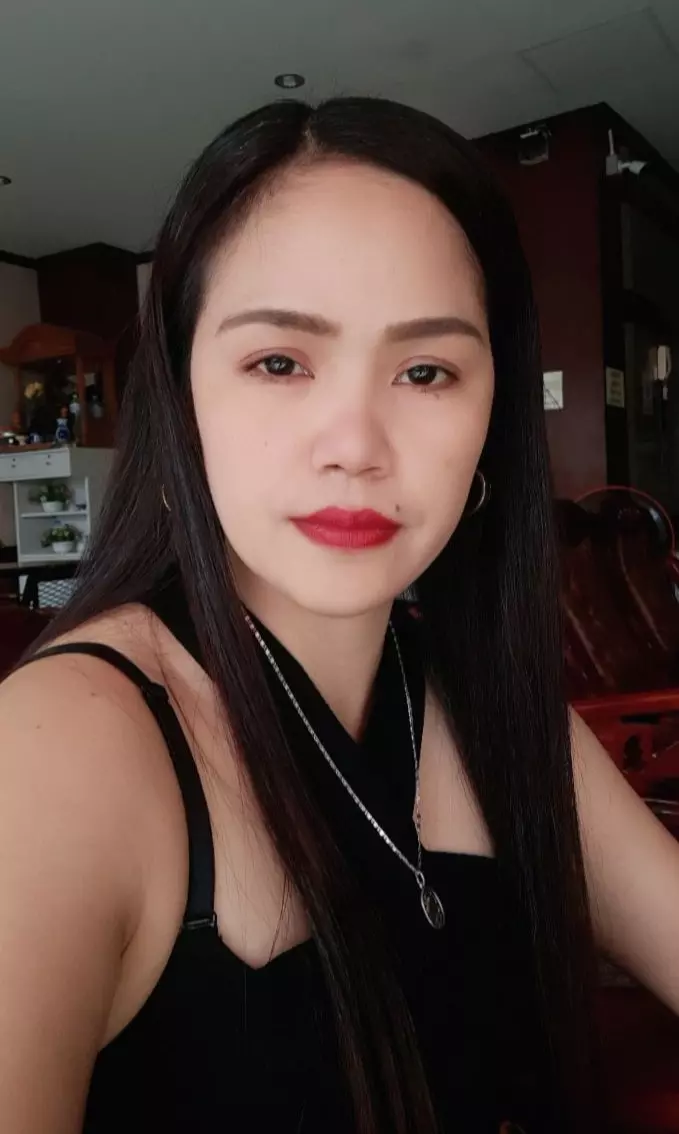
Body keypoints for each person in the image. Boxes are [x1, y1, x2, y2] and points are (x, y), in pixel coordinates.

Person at [1, 97, 677, 1134]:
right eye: (279, 362)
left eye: (425, 371)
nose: (355, 444)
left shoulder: (490, 700)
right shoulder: (60, 750)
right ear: (181, 404)